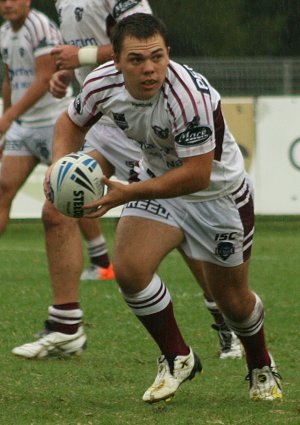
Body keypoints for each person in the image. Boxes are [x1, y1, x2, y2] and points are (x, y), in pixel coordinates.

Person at [24, 13, 285, 402]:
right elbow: (69, 122)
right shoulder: (101, 83)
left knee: (233, 302)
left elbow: (196, 175)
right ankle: (177, 356)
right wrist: (61, 163)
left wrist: (128, 193)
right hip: (158, 184)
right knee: (130, 270)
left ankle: (261, 364)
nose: (149, 69)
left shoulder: (189, 97)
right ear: (117, 61)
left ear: (168, 55)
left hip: (217, 198)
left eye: (157, 57)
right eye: (136, 60)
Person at [11, 1, 242, 361]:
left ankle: (225, 318)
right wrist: (67, 75)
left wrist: (82, 56)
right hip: (106, 116)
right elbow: (89, 68)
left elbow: (139, 38)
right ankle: (66, 325)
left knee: (179, 222)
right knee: (56, 209)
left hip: (145, 118)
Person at [0, 0, 71, 238]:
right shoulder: (4, 32)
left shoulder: (40, 26)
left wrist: (9, 115)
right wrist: (7, 120)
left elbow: (44, 79)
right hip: (23, 126)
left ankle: (100, 258)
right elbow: (9, 79)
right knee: (3, 190)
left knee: (66, 192)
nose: (7, 4)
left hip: (54, 121)